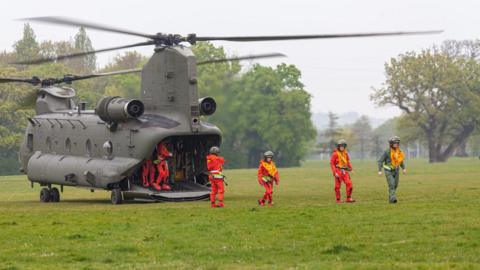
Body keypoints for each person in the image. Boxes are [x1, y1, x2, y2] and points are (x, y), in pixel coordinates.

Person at [377, 136, 406, 203]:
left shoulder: (399, 151)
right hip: (388, 171)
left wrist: (403, 168)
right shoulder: (387, 151)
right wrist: (379, 170)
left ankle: (391, 199)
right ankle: (393, 198)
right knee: (392, 184)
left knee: (395, 185)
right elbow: (380, 161)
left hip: (396, 170)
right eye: (395, 143)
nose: (396, 144)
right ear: (391, 144)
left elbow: (400, 161)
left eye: (397, 143)